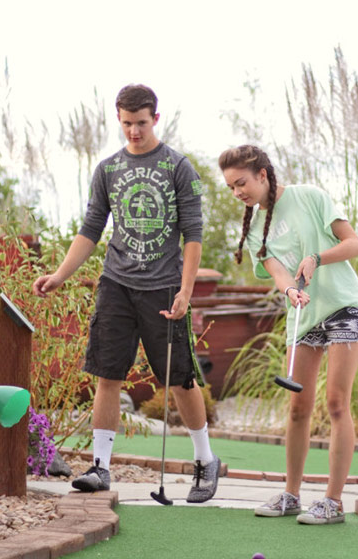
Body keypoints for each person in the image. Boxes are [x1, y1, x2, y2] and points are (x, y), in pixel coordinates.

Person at [32, 84, 220, 502]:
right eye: (127, 123)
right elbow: (91, 229)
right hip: (116, 284)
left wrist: (186, 291)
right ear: (118, 119)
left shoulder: (178, 167)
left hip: (164, 287)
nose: (134, 131)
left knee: (180, 378)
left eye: (141, 122)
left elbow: (193, 234)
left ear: (156, 117)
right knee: (108, 374)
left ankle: (206, 461)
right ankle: (101, 468)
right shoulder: (108, 169)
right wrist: (60, 275)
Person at [219, 144, 358, 525]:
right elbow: (278, 274)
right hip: (304, 313)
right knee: (298, 407)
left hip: (343, 307)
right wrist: (289, 290)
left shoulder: (310, 197)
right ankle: (291, 495)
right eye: (231, 187)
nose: (238, 193)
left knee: (337, 403)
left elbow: (355, 244)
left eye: (242, 183)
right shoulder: (255, 230)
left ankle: (333, 502)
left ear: (263, 175)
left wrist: (318, 257)